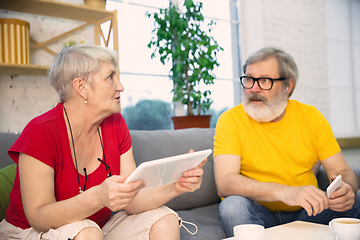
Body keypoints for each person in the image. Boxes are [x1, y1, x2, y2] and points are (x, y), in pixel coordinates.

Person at [0, 44, 207, 240]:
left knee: (165, 219)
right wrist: (97, 197)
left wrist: (176, 186)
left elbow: (133, 200)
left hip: (96, 228)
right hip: (31, 232)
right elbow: (38, 216)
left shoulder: (115, 123)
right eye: (110, 77)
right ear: (81, 87)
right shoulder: (40, 132)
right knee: (87, 232)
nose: (121, 87)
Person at [213, 46, 360, 237]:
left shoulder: (311, 117)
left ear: (287, 86)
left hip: (309, 212)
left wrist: (347, 189)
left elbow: (343, 172)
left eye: (264, 80)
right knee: (232, 206)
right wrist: (286, 192)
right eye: (249, 79)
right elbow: (225, 182)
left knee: (356, 200)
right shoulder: (230, 120)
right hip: (258, 213)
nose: (253, 88)